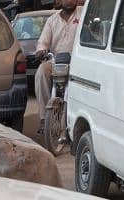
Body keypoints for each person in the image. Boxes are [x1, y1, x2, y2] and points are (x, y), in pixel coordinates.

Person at [34, 0, 81, 133]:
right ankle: (44, 118)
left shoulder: (83, 14)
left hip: (78, 62)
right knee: (41, 71)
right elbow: (43, 42)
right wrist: (41, 50)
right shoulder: (52, 20)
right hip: (56, 61)